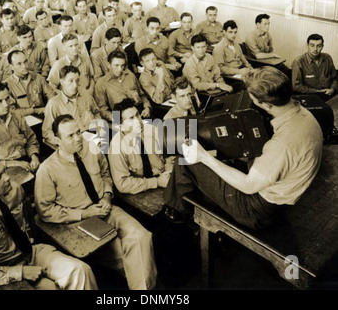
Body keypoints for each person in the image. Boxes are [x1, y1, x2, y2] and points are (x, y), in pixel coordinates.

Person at [164, 67, 324, 229]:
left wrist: (204, 157)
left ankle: (179, 215)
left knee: (185, 159)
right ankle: (183, 204)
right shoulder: (304, 113)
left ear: (264, 104)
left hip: (257, 210)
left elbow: (248, 186)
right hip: (285, 189)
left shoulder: (281, 145)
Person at [35, 115, 157, 290]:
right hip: (79, 221)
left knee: (142, 237)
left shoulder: (92, 148)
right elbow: (45, 210)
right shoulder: (47, 169)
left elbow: (105, 174)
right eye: (70, 135)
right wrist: (85, 213)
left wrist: (107, 195)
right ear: (57, 139)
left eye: (78, 132)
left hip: (106, 208)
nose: (78, 138)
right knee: (131, 255)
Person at [0, 156, 98, 290]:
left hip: (28, 251)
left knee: (81, 271)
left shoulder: (12, 190)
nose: (8, 178)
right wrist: (20, 272)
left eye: (5, 171)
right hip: (2, 269)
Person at [108, 98, 173, 194]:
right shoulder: (117, 146)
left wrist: (168, 172)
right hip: (141, 189)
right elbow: (122, 184)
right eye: (131, 119)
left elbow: (169, 155)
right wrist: (156, 182)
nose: (138, 121)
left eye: (137, 115)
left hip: (164, 177)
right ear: (121, 125)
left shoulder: (151, 129)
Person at [43, 65, 102, 147]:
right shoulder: (54, 103)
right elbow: (46, 132)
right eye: (71, 81)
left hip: (95, 134)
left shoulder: (84, 94)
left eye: (77, 81)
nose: (75, 85)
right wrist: (65, 143)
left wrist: (99, 129)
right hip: (76, 141)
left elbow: (96, 112)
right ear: (62, 82)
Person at [94, 50, 151, 123]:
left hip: (139, 114)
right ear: (108, 64)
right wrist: (114, 118)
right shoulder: (101, 83)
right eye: (116, 65)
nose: (120, 69)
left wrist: (147, 107)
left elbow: (142, 95)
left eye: (122, 65)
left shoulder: (130, 76)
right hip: (121, 119)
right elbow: (102, 109)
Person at [5, 50, 55, 117]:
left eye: (25, 61)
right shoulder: (7, 85)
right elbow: (12, 111)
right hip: (23, 120)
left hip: (43, 115)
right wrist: (34, 110)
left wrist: (49, 108)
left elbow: (51, 95)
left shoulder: (37, 77)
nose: (24, 66)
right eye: (19, 64)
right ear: (11, 67)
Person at [292, 33, 338, 100]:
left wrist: (332, 89)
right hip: (310, 96)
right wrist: (318, 92)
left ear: (322, 46)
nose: (315, 49)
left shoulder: (327, 57)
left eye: (319, 46)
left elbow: (335, 78)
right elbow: (296, 86)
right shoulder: (298, 62)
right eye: (312, 45)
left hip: (329, 94)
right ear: (307, 45)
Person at [213, 20, 252, 92]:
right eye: (230, 32)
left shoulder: (236, 45)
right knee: (246, 85)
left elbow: (244, 61)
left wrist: (251, 70)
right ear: (224, 32)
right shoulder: (219, 48)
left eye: (235, 32)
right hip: (229, 77)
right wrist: (239, 71)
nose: (233, 35)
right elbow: (220, 69)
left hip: (240, 73)